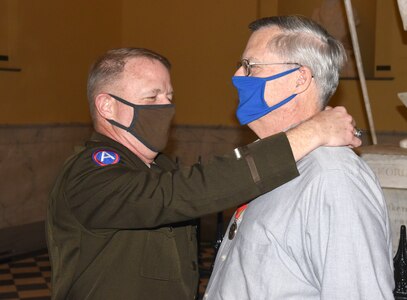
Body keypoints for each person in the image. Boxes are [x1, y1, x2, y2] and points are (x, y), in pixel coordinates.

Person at [46, 47, 360, 300]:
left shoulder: (162, 167)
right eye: (151, 97)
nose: (165, 107)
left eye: (169, 97)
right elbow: (180, 194)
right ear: (107, 107)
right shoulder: (88, 172)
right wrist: (308, 134)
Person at [204, 16, 394, 300]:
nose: (237, 76)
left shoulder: (333, 178)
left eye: (250, 66)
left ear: (300, 79)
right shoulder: (273, 159)